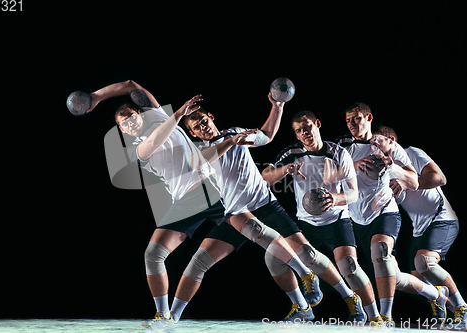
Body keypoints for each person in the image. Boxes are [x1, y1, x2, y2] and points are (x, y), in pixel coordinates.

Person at [87, 80, 317, 332]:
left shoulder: (158, 115)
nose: (129, 123)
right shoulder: (138, 148)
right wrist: (178, 114)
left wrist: (96, 96)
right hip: (184, 201)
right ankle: (164, 315)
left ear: (140, 115)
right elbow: (155, 141)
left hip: (209, 189)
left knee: (255, 230)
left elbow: (132, 85)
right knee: (153, 255)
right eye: (124, 124)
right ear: (122, 130)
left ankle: (305, 274)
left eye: (131, 117)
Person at [168, 93, 360, 326]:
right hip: (235, 213)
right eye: (196, 127)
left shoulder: (236, 132)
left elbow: (267, 135)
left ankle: (350, 297)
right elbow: (201, 163)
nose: (202, 127)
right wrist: (231, 141)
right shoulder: (199, 150)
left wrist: (277, 106)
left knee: (308, 254)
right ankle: (171, 316)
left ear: (211, 117)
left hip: (265, 205)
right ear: (193, 133)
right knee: (198, 262)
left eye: (204, 122)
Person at [263, 110, 375, 324]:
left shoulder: (339, 153)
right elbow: (264, 178)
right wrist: (287, 169)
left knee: (349, 267)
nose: (304, 132)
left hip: (337, 219)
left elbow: (353, 193)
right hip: (306, 222)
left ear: (317, 124)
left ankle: (372, 314)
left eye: (307, 126)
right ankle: (302, 307)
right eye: (299, 130)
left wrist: (334, 198)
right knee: (274, 258)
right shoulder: (292, 153)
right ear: (296, 135)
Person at [373, 126, 467, 331]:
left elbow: (439, 178)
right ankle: (441, 299)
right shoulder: (381, 168)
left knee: (424, 262)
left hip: (441, 218)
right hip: (419, 228)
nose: (374, 147)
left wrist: (408, 183)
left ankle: (463, 310)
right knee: (409, 281)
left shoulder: (411, 153)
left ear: (391, 140)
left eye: (377, 141)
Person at [337, 102, 419, 324]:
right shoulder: (342, 146)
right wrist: (354, 165)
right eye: (348, 120)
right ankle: (436, 295)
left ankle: (385, 316)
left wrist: (393, 167)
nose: (352, 123)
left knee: (380, 251)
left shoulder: (386, 144)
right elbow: (328, 175)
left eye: (356, 118)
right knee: (392, 273)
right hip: (355, 217)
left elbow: (414, 182)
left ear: (369, 117)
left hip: (385, 212)